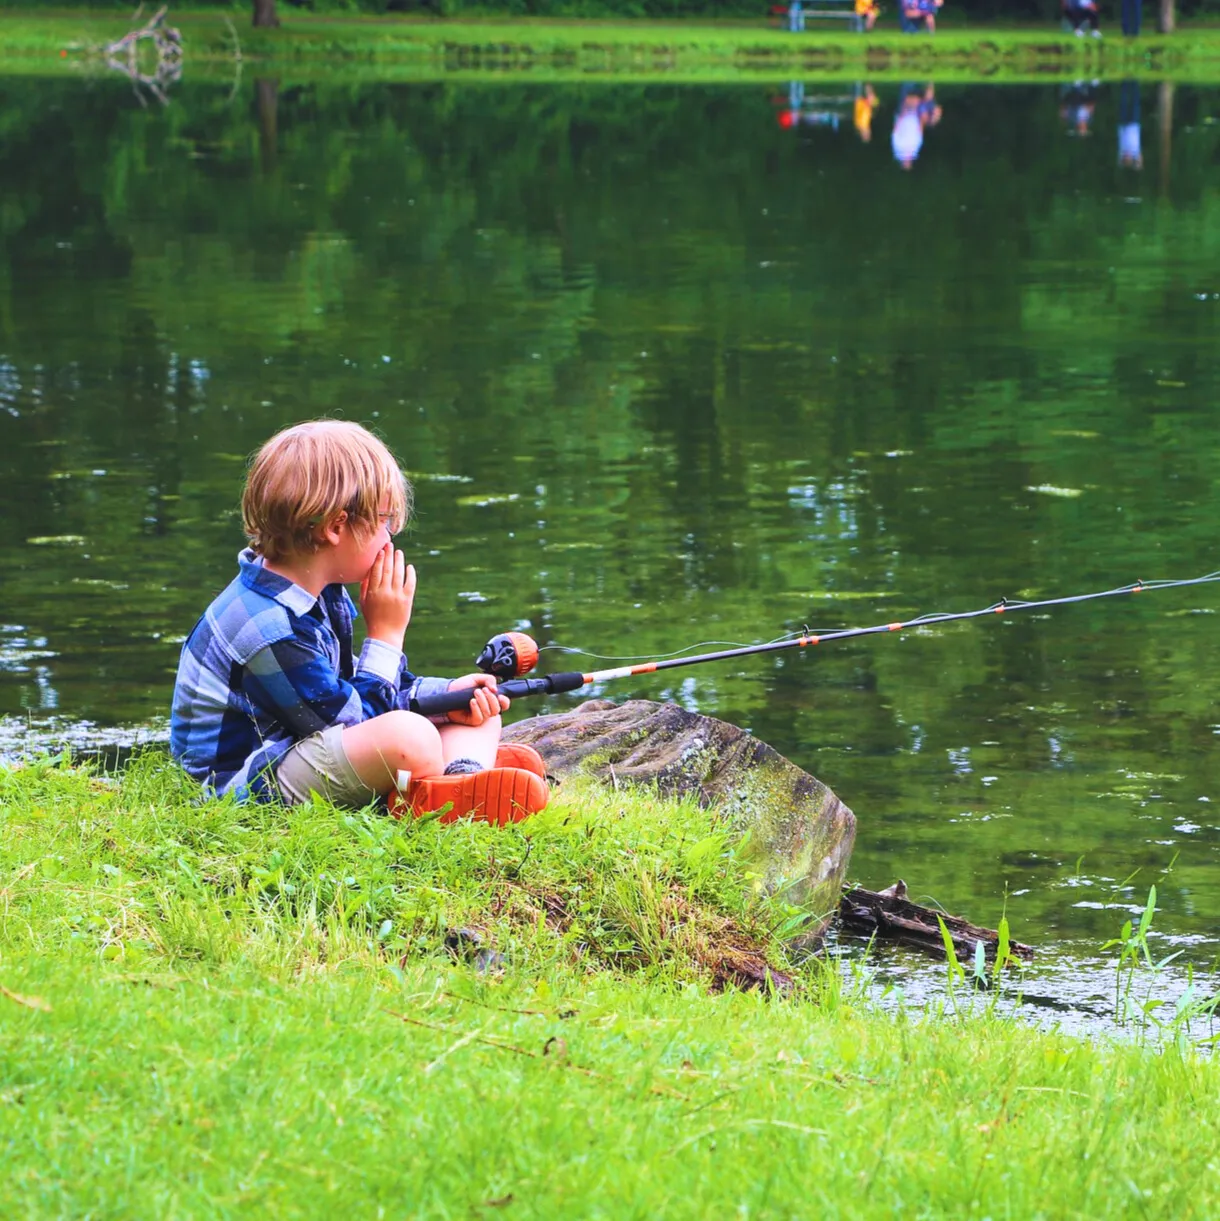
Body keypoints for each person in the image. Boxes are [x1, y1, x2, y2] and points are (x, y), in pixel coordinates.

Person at [169, 419, 550, 824]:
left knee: (477, 705)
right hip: (245, 783)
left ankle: (458, 780)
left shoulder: (320, 591)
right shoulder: (268, 626)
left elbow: (363, 690)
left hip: (309, 739)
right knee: (409, 736)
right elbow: (351, 720)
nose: (391, 539)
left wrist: (449, 695)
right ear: (335, 527)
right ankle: (453, 779)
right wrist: (386, 634)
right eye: (385, 522)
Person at [1118, 79, 1143, 168]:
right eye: (1128, 159)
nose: (1127, 157)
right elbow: (1140, 161)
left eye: (1126, 159)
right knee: (1135, 101)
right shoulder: (1135, 152)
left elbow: (1120, 163)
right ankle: (1134, 82)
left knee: (1124, 101)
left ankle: (1125, 82)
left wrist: (1123, 163)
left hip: (1123, 123)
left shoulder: (1122, 151)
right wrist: (1137, 165)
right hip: (1134, 124)